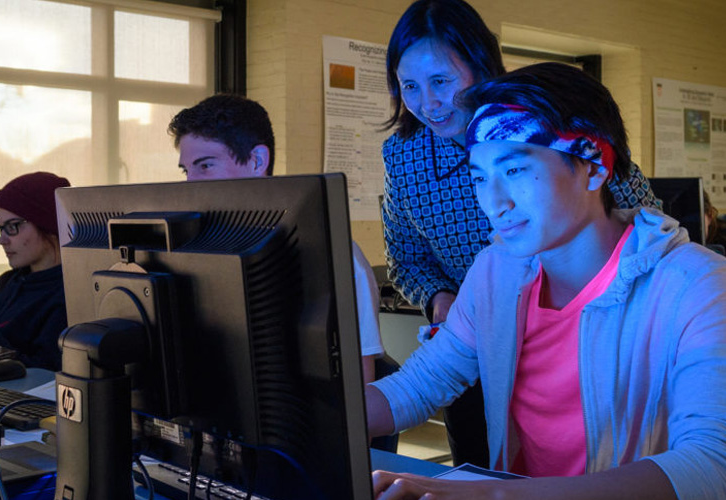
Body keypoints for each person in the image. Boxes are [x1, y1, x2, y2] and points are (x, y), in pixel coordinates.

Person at [367, 62, 726, 500]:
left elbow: (711, 466)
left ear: (594, 167)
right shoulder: (496, 273)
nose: (493, 203)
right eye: (480, 178)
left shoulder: (696, 286)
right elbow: (419, 384)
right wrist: (297, 415)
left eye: (514, 170)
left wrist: (492, 496)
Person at [380, 0, 660, 467]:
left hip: (591, 327)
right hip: (476, 340)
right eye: (410, 86)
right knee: (489, 462)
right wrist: (445, 301)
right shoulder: (404, 156)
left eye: (441, 82)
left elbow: (638, 214)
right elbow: (406, 259)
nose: (427, 103)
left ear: (480, 66)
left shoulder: (543, 119)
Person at [169, 94, 386, 384]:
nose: (190, 184)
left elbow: (360, 394)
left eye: (205, 166)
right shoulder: (194, 252)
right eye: (187, 170)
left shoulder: (336, 258)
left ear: (257, 160)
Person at [0, 171, 71, 371]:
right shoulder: (8, 282)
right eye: (0, 228)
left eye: (13, 226)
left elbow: (45, 371)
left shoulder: (68, 297)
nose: (2, 240)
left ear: (49, 224)